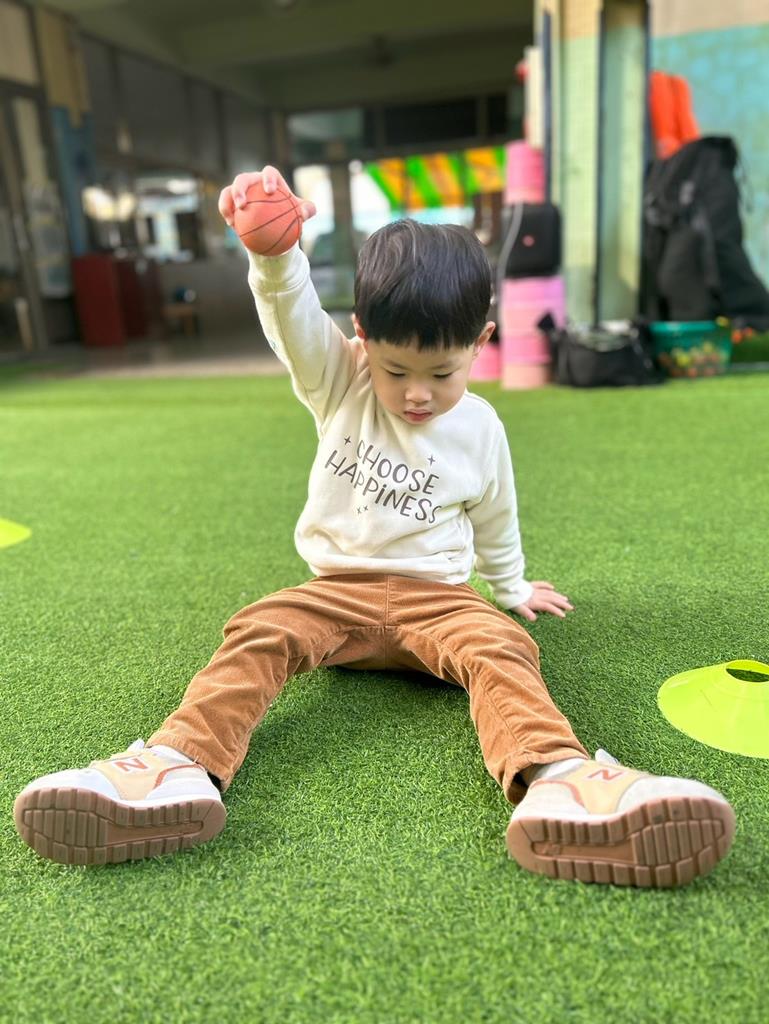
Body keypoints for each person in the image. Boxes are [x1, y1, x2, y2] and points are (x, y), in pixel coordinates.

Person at [14, 167, 735, 887]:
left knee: (502, 646)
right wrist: (274, 256)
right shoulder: (338, 379)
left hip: (440, 601)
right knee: (257, 628)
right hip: (335, 593)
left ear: (480, 342)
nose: (417, 394)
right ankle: (173, 767)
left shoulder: (481, 428)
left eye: (441, 374)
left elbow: (496, 515)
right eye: (396, 371)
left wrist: (512, 588)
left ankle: (561, 780)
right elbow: (291, 317)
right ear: (362, 337)